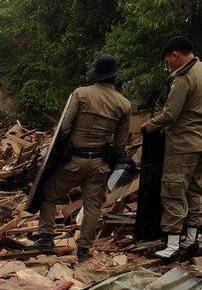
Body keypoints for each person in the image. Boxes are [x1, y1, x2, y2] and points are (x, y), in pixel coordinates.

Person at [34, 54, 132, 263]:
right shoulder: (124, 104)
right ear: (114, 77)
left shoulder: (81, 93)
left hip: (74, 160)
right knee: (93, 207)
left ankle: (46, 238)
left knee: (49, 193)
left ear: (96, 75)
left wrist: (59, 152)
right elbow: (121, 144)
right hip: (99, 165)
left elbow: (64, 128)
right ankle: (83, 250)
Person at [144, 36, 202, 260]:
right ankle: (190, 239)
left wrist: (150, 126)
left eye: (168, 61)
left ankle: (172, 245)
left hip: (182, 143)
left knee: (173, 190)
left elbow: (170, 113)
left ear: (175, 55)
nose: (169, 65)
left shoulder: (183, 77)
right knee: (195, 190)